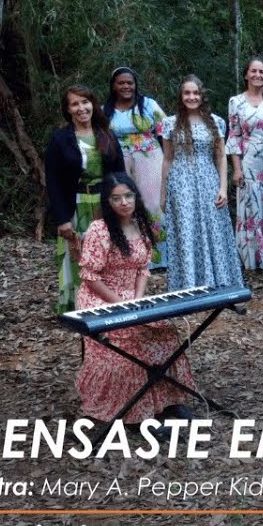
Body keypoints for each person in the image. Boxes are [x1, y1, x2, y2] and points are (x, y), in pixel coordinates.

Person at [75, 173, 196, 424]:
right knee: (131, 342)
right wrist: (120, 303)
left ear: (135, 197)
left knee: (165, 334)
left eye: (128, 196)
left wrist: (137, 301)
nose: (124, 202)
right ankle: (136, 413)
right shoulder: (99, 230)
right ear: (107, 202)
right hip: (99, 300)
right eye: (116, 198)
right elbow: (90, 277)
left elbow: (142, 269)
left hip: (131, 297)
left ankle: (168, 399)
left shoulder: (141, 225)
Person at [45, 85, 126, 313]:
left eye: (85, 102)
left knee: (109, 253)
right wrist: (62, 219)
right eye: (75, 104)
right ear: (67, 109)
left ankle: (112, 304)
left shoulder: (106, 134)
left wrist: (124, 206)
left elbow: (120, 174)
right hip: (77, 205)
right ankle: (81, 307)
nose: (81, 108)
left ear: (93, 104)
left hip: (106, 204)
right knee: (79, 256)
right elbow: (53, 182)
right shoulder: (60, 139)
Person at [160, 75, 243, 291]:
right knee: (186, 232)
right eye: (187, 93)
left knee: (214, 230)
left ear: (202, 95)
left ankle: (219, 285)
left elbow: (220, 157)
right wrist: (163, 194)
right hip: (180, 184)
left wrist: (223, 187)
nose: (191, 97)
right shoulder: (169, 123)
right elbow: (167, 159)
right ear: (181, 96)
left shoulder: (215, 122)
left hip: (208, 182)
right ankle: (188, 286)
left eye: (195, 93)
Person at [226, 56, 263, 271]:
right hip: (249, 162)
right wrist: (237, 169)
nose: (258, 75)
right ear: (246, 75)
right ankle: (252, 258)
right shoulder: (236, 102)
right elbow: (234, 136)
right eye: (253, 71)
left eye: (261, 71)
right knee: (251, 207)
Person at [104, 67, 167, 266]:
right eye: (121, 83)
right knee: (126, 204)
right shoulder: (105, 109)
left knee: (153, 203)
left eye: (129, 83)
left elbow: (166, 132)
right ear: (113, 86)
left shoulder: (148, 105)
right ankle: (132, 255)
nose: (126, 86)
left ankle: (160, 258)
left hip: (150, 157)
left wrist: (169, 160)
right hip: (119, 159)